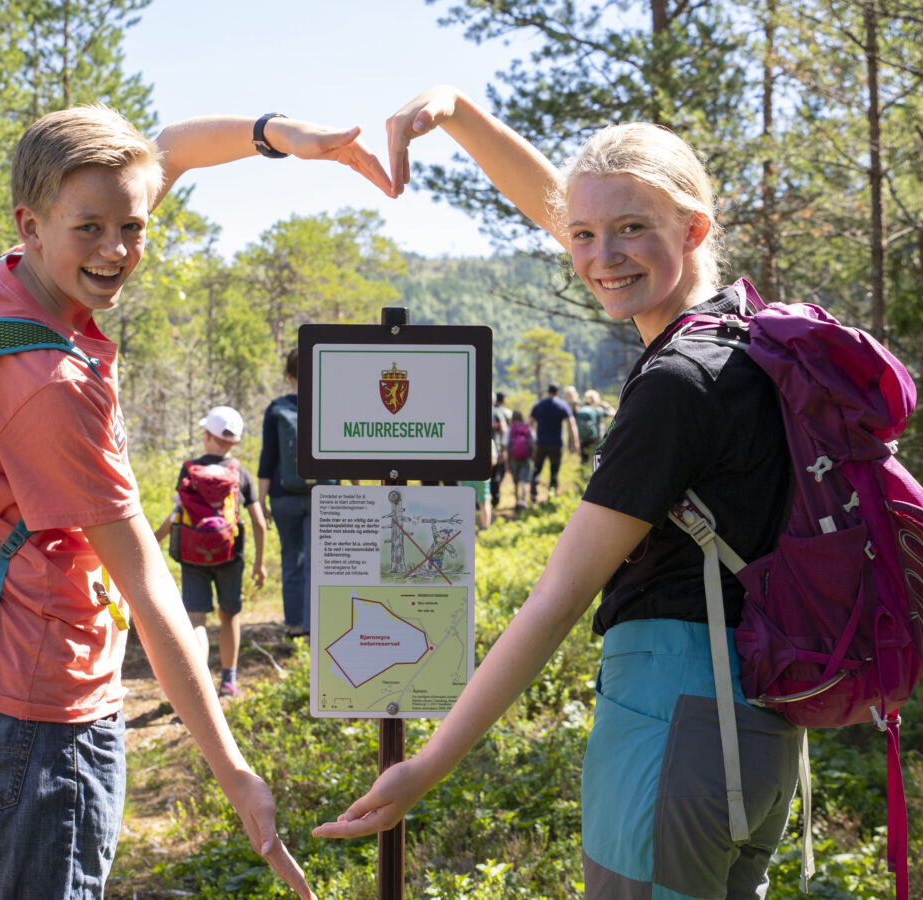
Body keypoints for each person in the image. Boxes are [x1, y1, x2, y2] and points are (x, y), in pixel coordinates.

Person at [314, 86, 800, 900]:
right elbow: (586, 218)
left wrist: (430, 764)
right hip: (753, 728)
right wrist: (458, 115)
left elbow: (559, 596)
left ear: (694, 230)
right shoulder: (740, 337)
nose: (600, 256)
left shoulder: (678, 384)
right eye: (584, 236)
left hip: (668, 721)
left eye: (631, 230)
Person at [0, 103, 391, 900]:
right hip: (37, 720)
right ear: (31, 223)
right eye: (92, 230)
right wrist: (236, 774)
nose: (117, 251)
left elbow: (166, 151)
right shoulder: (51, 386)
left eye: (131, 228)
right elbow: (151, 594)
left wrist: (286, 138)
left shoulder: (5, 290)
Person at [154, 406, 265, 698]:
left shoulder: (190, 470)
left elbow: (177, 513)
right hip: (230, 555)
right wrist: (259, 565)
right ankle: (228, 682)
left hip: (192, 553)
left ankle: (198, 687)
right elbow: (259, 523)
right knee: (229, 616)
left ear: (207, 436)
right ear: (235, 441)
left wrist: (154, 540)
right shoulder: (241, 473)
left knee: (197, 621)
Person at [258, 348, 321, 639]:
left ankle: (295, 625)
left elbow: (267, 459)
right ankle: (315, 626)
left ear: (288, 374)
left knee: (291, 557)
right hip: (325, 494)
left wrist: (260, 500)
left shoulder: (276, 408)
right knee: (319, 562)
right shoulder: (327, 405)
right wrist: (357, 490)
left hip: (283, 495)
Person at [529, 381, 579, 503]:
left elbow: (529, 424)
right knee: (554, 470)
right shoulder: (562, 405)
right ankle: (552, 496)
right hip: (556, 443)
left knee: (537, 468)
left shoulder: (539, 405)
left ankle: (533, 493)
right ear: (558, 392)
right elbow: (571, 425)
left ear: (548, 391)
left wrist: (531, 441)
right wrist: (575, 442)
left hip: (540, 443)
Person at [504, 409, 534, 509]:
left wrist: (507, 459)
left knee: (516, 480)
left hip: (514, 457)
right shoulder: (527, 428)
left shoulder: (510, 429)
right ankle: (523, 501)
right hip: (526, 457)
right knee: (524, 480)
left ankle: (516, 501)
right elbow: (533, 442)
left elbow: (505, 444)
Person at [489, 391, 512, 507]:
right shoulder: (497, 413)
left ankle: (478, 502)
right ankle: (495, 500)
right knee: (495, 476)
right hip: (495, 450)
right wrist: (504, 450)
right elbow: (504, 431)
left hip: (479, 453)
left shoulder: (476, 411)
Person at [575, 389, 610, 465]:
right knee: (596, 460)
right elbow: (614, 415)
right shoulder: (599, 410)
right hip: (596, 439)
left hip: (583, 438)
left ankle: (583, 474)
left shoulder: (582, 409)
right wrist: (606, 406)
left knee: (584, 459)